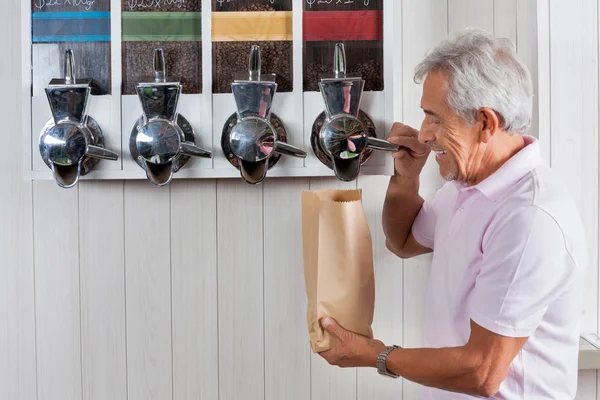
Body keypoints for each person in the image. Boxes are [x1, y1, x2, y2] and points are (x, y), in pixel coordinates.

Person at [318, 28, 588, 399]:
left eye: (436, 118)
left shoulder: (529, 218)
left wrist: (376, 355)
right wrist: (405, 177)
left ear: (486, 123)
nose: (424, 134)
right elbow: (402, 240)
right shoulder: (470, 185)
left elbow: (482, 373)